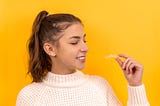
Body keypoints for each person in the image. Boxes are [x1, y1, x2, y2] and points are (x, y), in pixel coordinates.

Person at [16, 10, 150, 106]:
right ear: (50, 49)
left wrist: (135, 85)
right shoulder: (30, 96)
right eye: (74, 42)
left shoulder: (99, 86)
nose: (85, 48)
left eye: (84, 41)